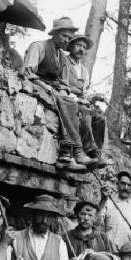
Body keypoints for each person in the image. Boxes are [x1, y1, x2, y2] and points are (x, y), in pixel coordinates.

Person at [23, 17, 96, 170]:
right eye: (64, 36)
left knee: (77, 105)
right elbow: (27, 72)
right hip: (37, 85)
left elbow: (63, 82)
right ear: (55, 34)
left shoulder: (61, 55)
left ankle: (74, 154)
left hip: (53, 90)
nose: (66, 41)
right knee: (68, 102)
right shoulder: (39, 46)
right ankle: (69, 153)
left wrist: (66, 92)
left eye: (69, 38)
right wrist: (46, 86)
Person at [61, 34, 107, 163]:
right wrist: (77, 99)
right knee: (83, 112)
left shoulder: (84, 70)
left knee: (100, 117)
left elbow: (85, 93)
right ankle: (90, 150)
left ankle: (98, 151)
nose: (81, 49)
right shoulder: (63, 61)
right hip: (66, 97)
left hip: (80, 100)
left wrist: (94, 97)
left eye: (84, 47)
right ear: (70, 46)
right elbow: (60, 84)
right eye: (78, 45)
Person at [99, 171, 131, 252]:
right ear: (117, 184)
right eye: (123, 183)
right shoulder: (108, 202)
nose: (125, 187)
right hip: (109, 249)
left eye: (129, 185)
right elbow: (97, 222)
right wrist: (103, 200)